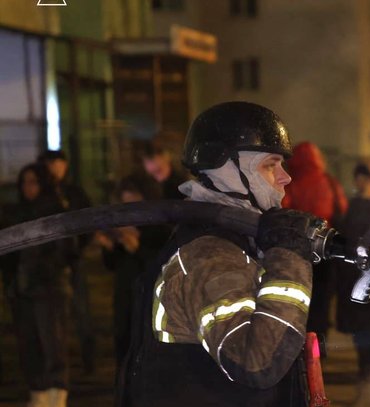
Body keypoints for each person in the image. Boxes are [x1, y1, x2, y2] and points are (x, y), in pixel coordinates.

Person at [120, 101, 317, 407]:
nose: (285, 177)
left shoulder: (236, 242)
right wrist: (290, 259)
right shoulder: (210, 256)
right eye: (270, 165)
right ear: (228, 171)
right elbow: (257, 363)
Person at [9, 163, 72, 407]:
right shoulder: (19, 212)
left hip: (49, 288)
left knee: (52, 342)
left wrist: (43, 267)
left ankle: (55, 395)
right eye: (24, 182)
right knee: (30, 344)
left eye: (33, 182)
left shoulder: (54, 210)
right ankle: (39, 393)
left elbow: (66, 250)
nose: (28, 188)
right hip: (23, 289)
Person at [333, 159, 370, 405]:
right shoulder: (356, 206)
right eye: (359, 177)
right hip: (360, 285)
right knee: (367, 343)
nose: (360, 182)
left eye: (365, 177)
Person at [95, 175, 169, 370]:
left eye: (135, 203)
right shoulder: (123, 228)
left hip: (150, 299)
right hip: (125, 296)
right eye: (126, 204)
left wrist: (137, 249)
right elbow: (112, 265)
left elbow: (161, 265)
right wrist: (110, 247)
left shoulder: (160, 230)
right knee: (123, 343)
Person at [281, 142, 347, 356]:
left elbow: (282, 211)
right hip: (326, 251)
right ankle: (320, 352)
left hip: (298, 252)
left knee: (298, 303)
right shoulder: (330, 182)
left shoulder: (289, 183)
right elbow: (342, 209)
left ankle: (300, 352)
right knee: (322, 304)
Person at [37, 150, 96, 374]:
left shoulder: (74, 192)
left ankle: (88, 359)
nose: (55, 168)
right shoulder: (43, 193)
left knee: (82, 310)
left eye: (59, 163)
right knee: (52, 314)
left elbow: (89, 219)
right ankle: (55, 362)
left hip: (74, 259)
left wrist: (79, 246)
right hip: (50, 263)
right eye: (51, 164)